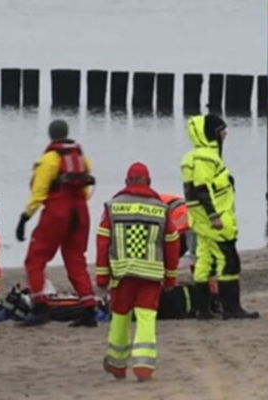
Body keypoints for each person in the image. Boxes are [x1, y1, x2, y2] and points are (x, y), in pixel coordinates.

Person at [97, 162, 181, 382]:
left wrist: (102, 275)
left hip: (122, 274)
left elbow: (103, 241)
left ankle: (117, 364)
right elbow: (172, 243)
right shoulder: (162, 209)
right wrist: (171, 277)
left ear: (127, 182)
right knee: (146, 318)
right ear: (149, 182)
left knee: (120, 316)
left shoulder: (113, 206)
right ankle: (144, 367)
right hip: (150, 276)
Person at [15, 120, 97, 327]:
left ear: (51, 136)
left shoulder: (49, 159)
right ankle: (89, 308)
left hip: (57, 211)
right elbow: (87, 188)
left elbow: (39, 193)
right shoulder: (81, 157)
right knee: (76, 259)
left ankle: (40, 307)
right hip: (81, 211)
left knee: (35, 259)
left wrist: (25, 218)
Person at [181, 115, 259, 320]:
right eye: (221, 131)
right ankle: (231, 308)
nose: (225, 134)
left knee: (205, 261)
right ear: (212, 133)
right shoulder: (206, 157)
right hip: (214, 220)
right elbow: (201, 188)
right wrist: (214, 216)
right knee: (229, 261)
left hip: (200, 219)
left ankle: (203, 310)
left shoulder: (196, 156)